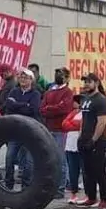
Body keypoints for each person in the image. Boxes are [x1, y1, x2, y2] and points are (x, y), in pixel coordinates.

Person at [3, 68, 42, 189]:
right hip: (15, 131)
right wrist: (25, 105)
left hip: (30, 132)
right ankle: (8, 185)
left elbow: (33, 110)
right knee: (9, 159)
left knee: (29, 162)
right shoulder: (14, 91)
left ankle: (26, 186)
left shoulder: (36, 94)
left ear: (31, 80)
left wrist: (17, 105)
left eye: (26, 78)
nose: (23, 80)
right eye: (21, 77)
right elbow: (8, 107)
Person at [77, 72, 106, 209]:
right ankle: (91, 197)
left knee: (98, 170)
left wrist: (93, 139)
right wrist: (80, 136)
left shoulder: (101, 99)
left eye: (89, 82)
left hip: (97, 140)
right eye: (85, 82)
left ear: (96, 83)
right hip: (84, 138)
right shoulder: (85, 99)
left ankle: (104, 200)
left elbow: (102, 122)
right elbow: (83, 119)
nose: (86, 84)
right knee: (87, 170)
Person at [40, 67, 73, 197]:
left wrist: (50, 109)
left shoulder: (68, 92)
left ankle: (60, 189)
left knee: (61, 160)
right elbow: (42, 109)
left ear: (66, 77)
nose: (58, 76)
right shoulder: (49, 92)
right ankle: (50, 187)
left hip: (61, 130)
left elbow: (64, 108)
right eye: (57, 73)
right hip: (49, 129)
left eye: (61, 74)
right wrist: (53, 108)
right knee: (49, 159)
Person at [62, 95, 84, 204]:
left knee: (84, 169)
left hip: (80, 144)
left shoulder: (85, 113)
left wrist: (73, 124)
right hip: (70, 144)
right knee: (72, 170)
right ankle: (73, 192)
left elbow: (82, 125)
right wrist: (74, 125)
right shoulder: (73, 113)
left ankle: (88, 194)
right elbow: (64, 124)